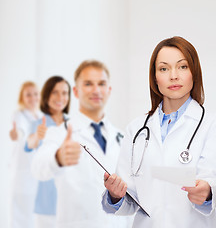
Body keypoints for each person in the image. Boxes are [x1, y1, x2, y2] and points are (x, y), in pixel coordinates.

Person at [102, 36, 216, 228]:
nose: (173, 75)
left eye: (182, 67)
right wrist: (115, 194)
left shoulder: (214, 125)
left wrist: (207, 192)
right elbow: (130, 199)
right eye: (164, 68)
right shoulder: (136, 130)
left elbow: (214, 182)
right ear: (155, 77)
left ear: (194, 72)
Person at [31, 60, 130, 228]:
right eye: (88, 84)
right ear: (75, 91)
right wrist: (58, 158)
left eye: (101, 83)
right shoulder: (59, 132)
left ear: (109, 90)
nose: (96, 90)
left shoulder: (122, 136)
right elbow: (38, 167)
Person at [25, 76, 71, 228]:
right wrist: (37, 137)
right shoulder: (39, 124)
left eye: (64, 93)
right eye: (55, 93)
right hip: (47, 204)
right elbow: (29, 144)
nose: (60, 98)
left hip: (70, 200)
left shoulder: (73, 123)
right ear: (46, 96)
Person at [9, 81, 42, 228]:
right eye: (28, 94)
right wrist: (16, 134)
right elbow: (20, 132)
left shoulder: (41, 116)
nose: (32, 98)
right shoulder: (19, 115)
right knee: (20, 214)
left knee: (33, 215)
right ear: (22, 97)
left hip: (36, 172)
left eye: (35, 94)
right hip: (22, 172)